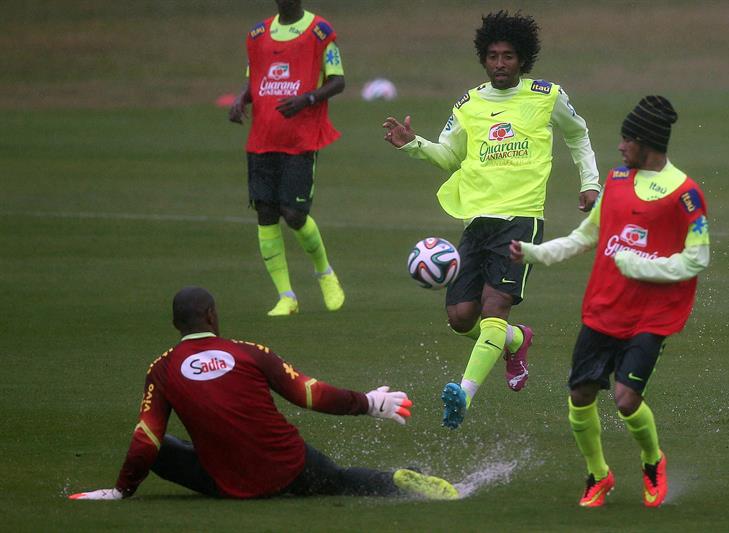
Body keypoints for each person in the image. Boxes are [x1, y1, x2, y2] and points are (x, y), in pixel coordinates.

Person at [383, 11, 600, 429]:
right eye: (493, 56)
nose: (500, 64)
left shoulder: (546, 95)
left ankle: (462, 394)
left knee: (495, 306)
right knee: (461, 317)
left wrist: (590, 182)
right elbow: (449, 156)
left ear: (523, 59)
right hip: (477, 221)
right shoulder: (469, 103)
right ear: (484, 59)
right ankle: (517, 340)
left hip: (521, 219)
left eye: (509, 56)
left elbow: (577, 133)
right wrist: (414, 144)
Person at [69, 287, 458, 501]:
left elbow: (146, 438)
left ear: (175, 324)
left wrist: (121, 490)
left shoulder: (162, 368)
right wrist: (370, 403)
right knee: (338, 479)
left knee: (164, 446)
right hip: (289, 465)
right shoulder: (249, 352)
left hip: (229, 485)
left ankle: (190, 466)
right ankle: (399, 483)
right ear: (212, 316)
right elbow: (308, 393)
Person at [510, 96, 710, 508]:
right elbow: (586, 236)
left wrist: (640, 266)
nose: (620, 146)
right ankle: (598, 474)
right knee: (580, 395)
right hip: (605, 308)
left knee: (625, 399)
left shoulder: (686, 194)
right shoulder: (617, 180)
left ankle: (652, 462)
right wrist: (534, 253)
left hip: (652, 315)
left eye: (627, 139)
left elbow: (698, 257)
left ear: (647, 142)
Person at [229, 0, 345, 317]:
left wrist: (307, 98)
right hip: (263, 138)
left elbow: (338, 80)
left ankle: (325, 274)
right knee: (265, 212)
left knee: (293, 213)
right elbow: (256, 76)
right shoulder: (258, 33)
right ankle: (286, 296)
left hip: (301, 138)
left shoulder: (319, 32)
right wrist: (241, 98)